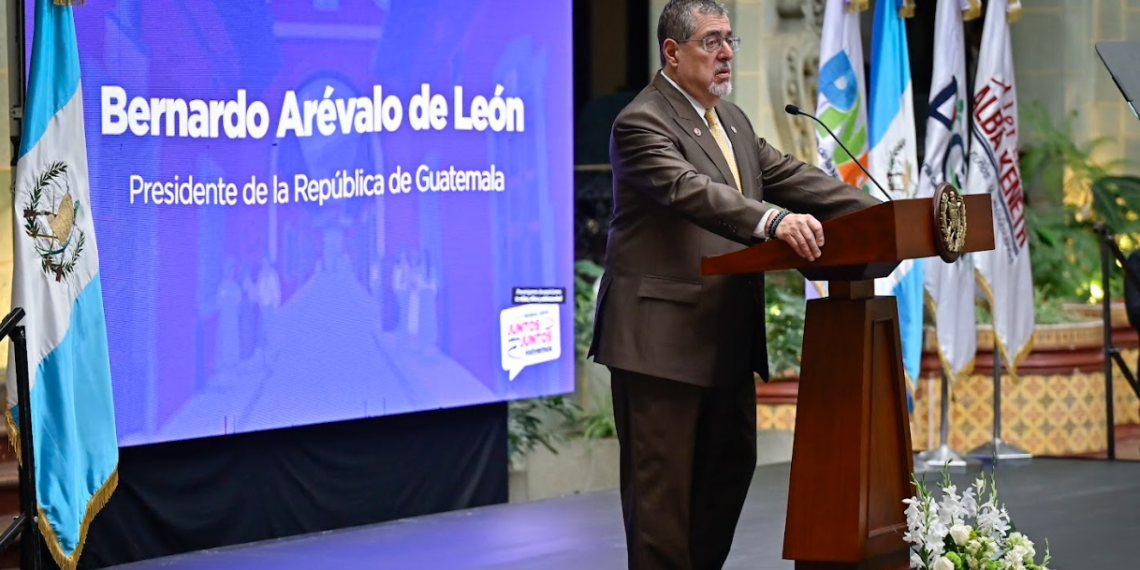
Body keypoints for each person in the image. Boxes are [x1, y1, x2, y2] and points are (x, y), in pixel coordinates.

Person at [588, 1, 881, 569]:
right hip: (659, 344)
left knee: (728, 472)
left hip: (722, 339)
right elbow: (690, 189)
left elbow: (793, 177)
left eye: (729, 39)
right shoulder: (641, 122)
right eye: (711, 41)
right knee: (662, 508)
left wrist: (882, 216)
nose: (726, 52)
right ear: (672, 52)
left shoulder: (735, 121)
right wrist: (772, 221)